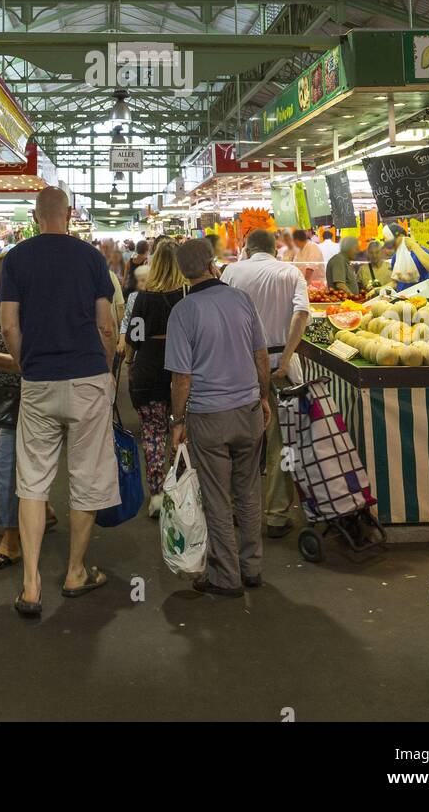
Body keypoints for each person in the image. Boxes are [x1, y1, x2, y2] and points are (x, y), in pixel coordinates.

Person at [0, 186, 119, 618]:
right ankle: (75, 573)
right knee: (86, 475)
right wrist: (105, 369)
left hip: (39, 381)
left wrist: (26, 362)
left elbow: (9, 325)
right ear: (70, 214)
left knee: (33, 480)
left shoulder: (17, 258)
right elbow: (107, 326)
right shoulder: (90, 258)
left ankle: (30, 585)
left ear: (35, 216)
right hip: (87, 376)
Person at [165, 237, 271, 596]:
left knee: (217, 497)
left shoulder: (183, 311)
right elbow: (260, 356)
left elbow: (182, 378)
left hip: (208, 417)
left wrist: (177, 421)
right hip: (248, 411)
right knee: (249, 492)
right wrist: (265, 396)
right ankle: (252, 567)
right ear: (212, 264)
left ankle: (226, 576)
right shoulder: (241, 299)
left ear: (183, 273)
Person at [0, 254, 56, 571]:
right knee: (25, 467)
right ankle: (42, 510)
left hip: (22, 399)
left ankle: (11, 542)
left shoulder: (20, 310)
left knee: (6, 469)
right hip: (13, 399)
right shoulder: (5, 306)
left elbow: (24, 362)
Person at [222, 229, 309, 539]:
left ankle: (233, 507)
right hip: (280, 367)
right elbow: (302, 313)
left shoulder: (231, 271)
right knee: (280, 443)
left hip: (239, 367)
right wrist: (287, 356)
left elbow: (220, 314)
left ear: (247, 247)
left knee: (239, 440)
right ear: (276, 249)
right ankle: (276, 514)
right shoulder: (290, 272)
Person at [123, 241, 185, 517]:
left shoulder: (144, 298)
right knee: (183, 432)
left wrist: (128, 363)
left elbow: (133, 338)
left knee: (152, 433)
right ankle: (181, 490)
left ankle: (157, 495)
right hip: (183, 370)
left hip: (148, 369)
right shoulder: (188, 295)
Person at [388, 223, 429, 291]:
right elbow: (395, 282)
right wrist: (379, 289)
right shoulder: (396, 256)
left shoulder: (420, 251)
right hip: (401, 297)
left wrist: (413, 245)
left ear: (401, 236)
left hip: (420, 297)